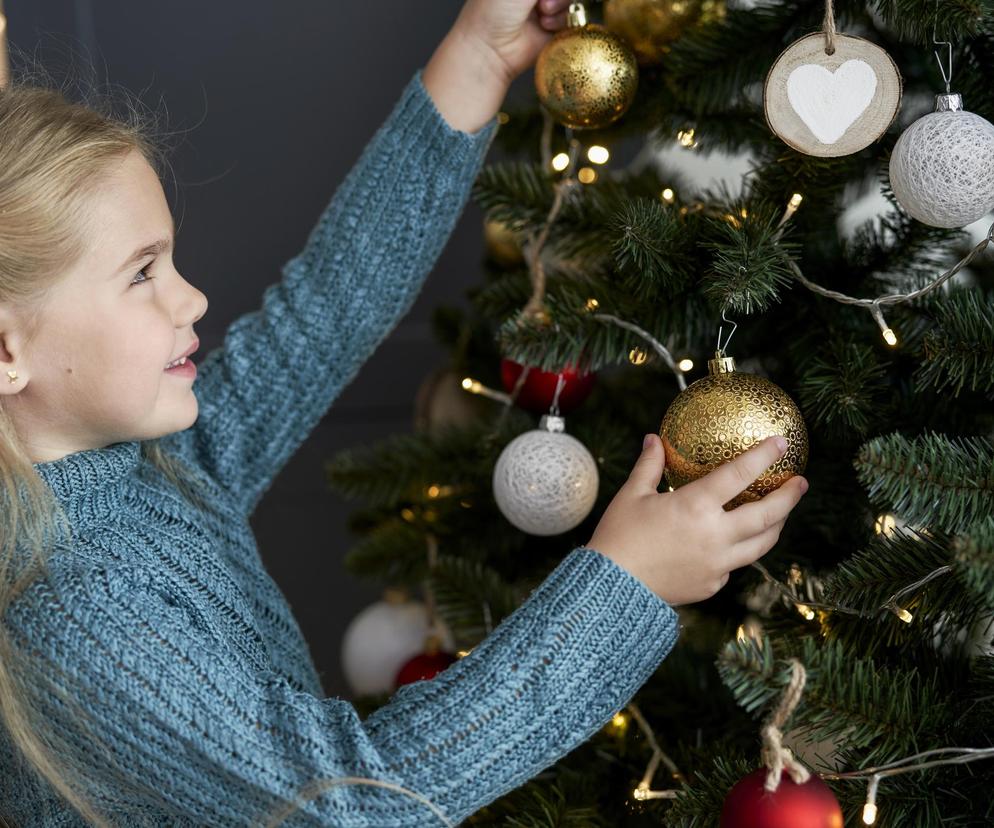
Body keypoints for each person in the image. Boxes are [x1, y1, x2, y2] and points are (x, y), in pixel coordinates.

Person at [0, 0, 808, 825]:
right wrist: (624, 585)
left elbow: (321, 316)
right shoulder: (75, 615)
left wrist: (477, 59)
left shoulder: (145, 467)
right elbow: (356, 806)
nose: (191, 296)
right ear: (6, 353)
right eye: (141, 274)